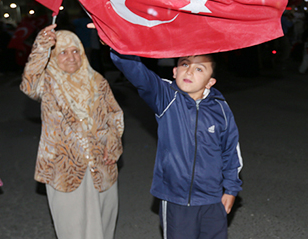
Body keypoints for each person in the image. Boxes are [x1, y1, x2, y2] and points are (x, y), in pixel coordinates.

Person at [110, 50, 243, 239]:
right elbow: (136, 72)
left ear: (210, 82)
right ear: (174, 71)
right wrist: (116, 44)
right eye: (184, 64)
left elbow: (231, 151)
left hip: (212, 198)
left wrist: (230, 189)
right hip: (177, 198)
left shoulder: (221, 108)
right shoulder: (166, 97)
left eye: (199, 69)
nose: (188, 72)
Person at [20, 25, 124, 239]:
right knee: (72, 227)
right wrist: (41, 47)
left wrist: (112, 143)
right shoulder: (47, 82)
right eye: (63, 52)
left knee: (104, 224)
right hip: (64, 169)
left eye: (75, 51)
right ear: (54, 56)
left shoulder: (97, 81)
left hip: (101, 165)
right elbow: (28, 85)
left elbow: (114, 115)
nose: (71, 57)